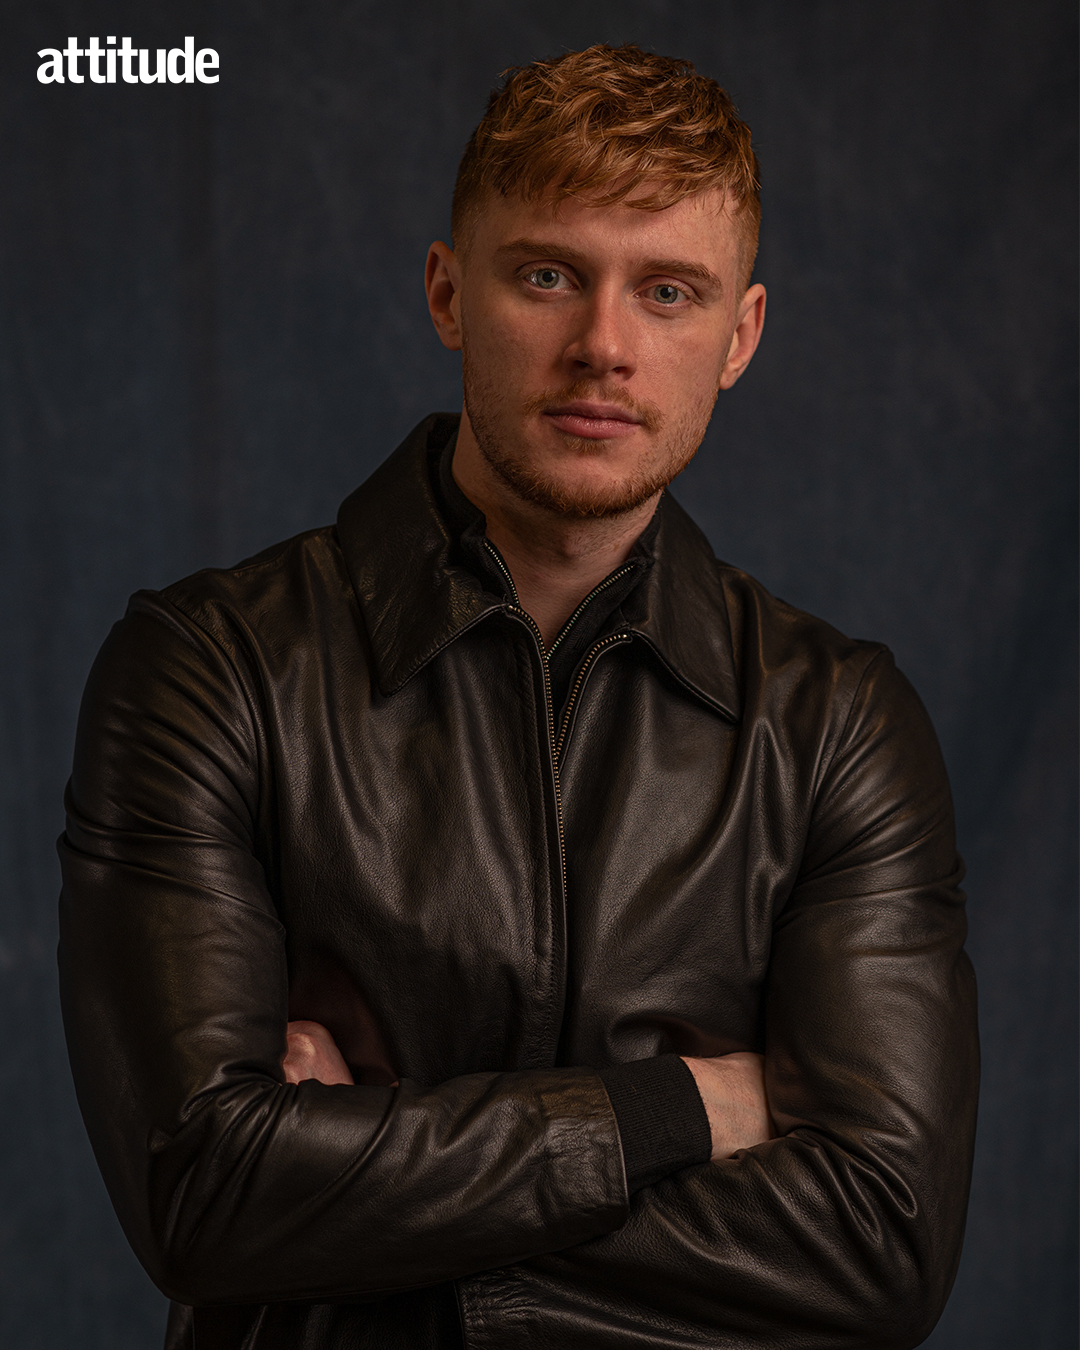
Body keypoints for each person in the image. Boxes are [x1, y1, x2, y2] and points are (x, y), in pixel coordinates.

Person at [58, 44, 978, 1350]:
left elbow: (879, 1242)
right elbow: (206, 1192)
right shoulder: (212, 669)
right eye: (548, 275)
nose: (603, 346)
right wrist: (682, 1111)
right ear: (449, 293)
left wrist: (359, 1189)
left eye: (668, 291)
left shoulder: (836, 723)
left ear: (741, 337)